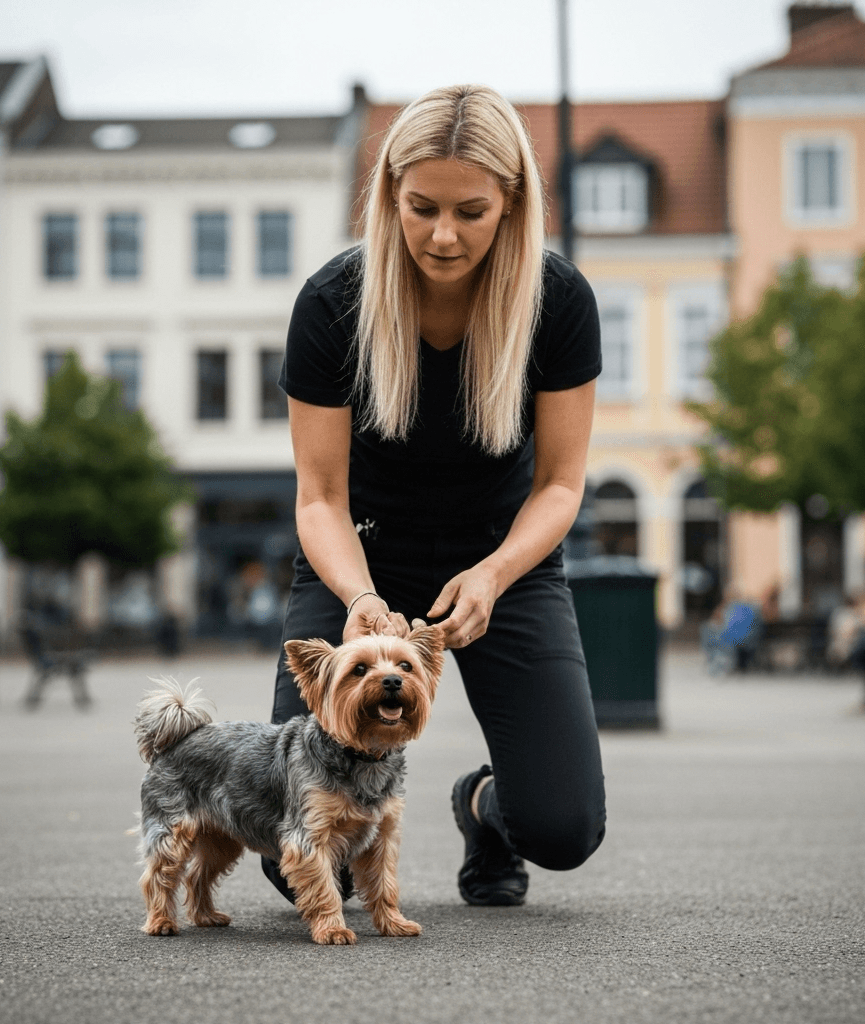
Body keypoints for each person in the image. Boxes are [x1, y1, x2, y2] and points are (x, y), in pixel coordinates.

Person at [264, 84, 606, 908]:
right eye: (420, 208)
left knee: (562, 830)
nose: (443, 236)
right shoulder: (331, 305)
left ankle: (481, 807)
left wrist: (492, 576)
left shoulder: (558, 302)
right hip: (361, 555)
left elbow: (561, 485)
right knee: (303, 861)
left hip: (503, 559)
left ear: (511, 205)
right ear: (389, 196)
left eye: (471, 212)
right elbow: (318, 497)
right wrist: (358, 595)